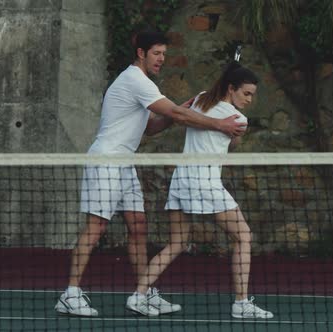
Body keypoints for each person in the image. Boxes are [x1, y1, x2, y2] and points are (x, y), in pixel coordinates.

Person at [54, 31, 248, 317]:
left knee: (139, 227)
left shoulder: (143, 85)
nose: (162, 59)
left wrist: (174, 114)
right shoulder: (135, 80)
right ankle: (70, 294)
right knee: (96, 228)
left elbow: (151, 127)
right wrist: (217, 124)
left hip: (124, 164)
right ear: (141, 53)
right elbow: (179, 115)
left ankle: (143, 294)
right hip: (106, 160)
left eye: (164, 54)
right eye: (157, 53)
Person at [133, 61, 274, 319]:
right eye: (246, 93)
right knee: (244, 237)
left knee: (176, 243)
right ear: (231, 88)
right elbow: (232, 146)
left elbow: (194, 117)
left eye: (252, 95)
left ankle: (139, 295)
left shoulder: (199, 100)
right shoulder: (239, 119)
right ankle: (241, 303)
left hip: (181, 180)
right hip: (205, 183)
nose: (250, 99)